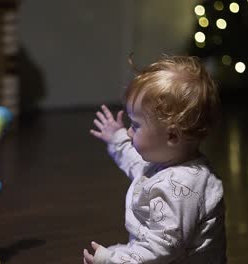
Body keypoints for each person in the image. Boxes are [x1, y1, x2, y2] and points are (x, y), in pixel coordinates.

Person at [84, 55, 226, 264]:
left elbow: (160, 249)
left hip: (167, 257)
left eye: (135, 125)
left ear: (171, 136)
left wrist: (110, 261)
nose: (130, 133)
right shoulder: (170, 160)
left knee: (110, 256)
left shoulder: (180, 189)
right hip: (161, 252)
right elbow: (137, 163)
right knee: (116, 251)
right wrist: (117, 139)